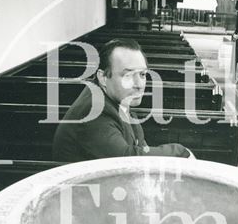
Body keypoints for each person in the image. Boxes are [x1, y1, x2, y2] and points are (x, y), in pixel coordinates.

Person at [52, 38, 193, 162]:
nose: (139, 85)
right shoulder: (94, 110)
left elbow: (139, 146)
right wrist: (179, 152)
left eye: (143, 74)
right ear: (103, 78)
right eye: (128, 76)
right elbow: (127, 158)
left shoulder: (117, 99)